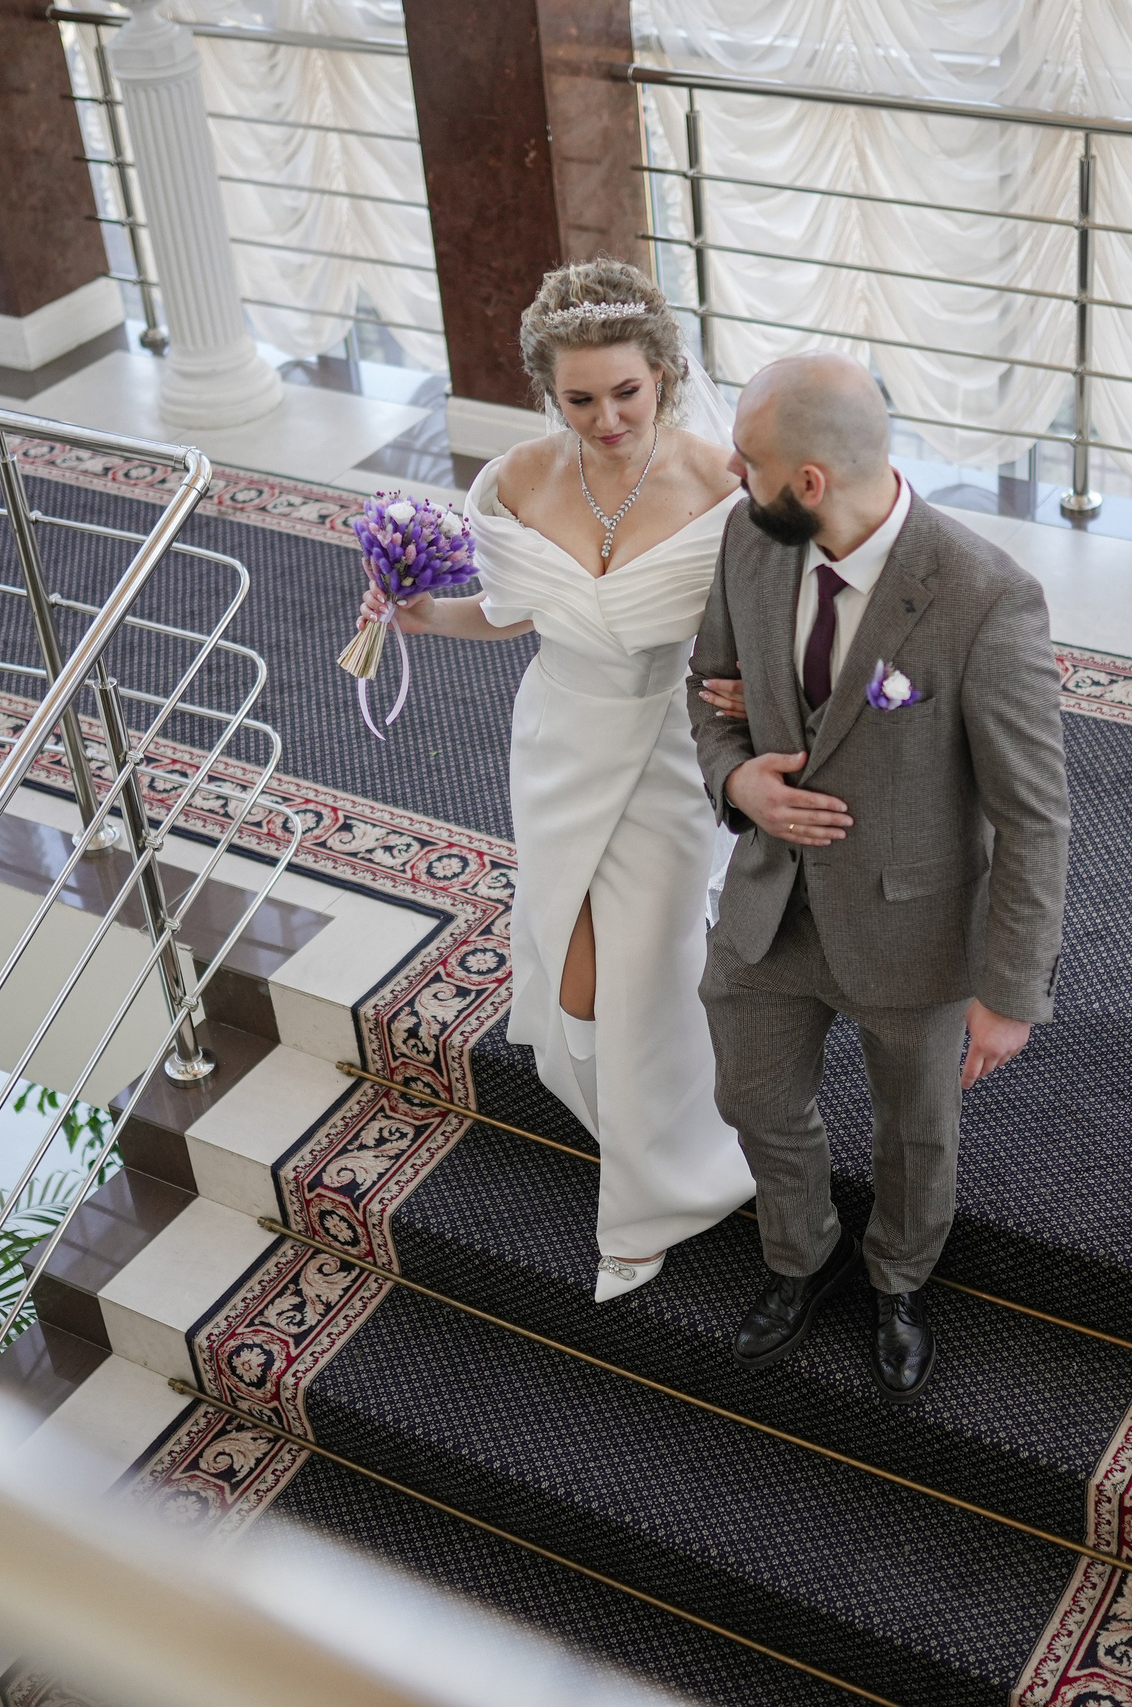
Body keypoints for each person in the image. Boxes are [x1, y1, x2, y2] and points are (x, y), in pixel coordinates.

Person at [356, 259, 754, 1301]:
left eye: (626, 391)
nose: (607, 417)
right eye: (580, 399)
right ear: (550, 393)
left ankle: (649, 1200)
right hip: (561, 743)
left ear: (664, 373)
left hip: (670, 749)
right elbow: (504, 609)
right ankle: (631, 1109)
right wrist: (411, 614)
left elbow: (766, 631)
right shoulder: (521, 481)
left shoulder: (721, 485)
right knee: (570, 971)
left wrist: (755, 705)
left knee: (645, 970)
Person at [687, 352, 1070, 1398]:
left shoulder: (986, 599)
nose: (730, 471)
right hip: (770, 908)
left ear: (809, 481)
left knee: (913, 1131)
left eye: (748, 457)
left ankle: (897, 1279)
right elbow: (705, 691)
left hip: (914, 933)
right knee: (752, 1098)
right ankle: (798, 1257)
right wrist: (740, 786)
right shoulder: (749, 542)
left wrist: (1007, 994)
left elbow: (1033, 816)